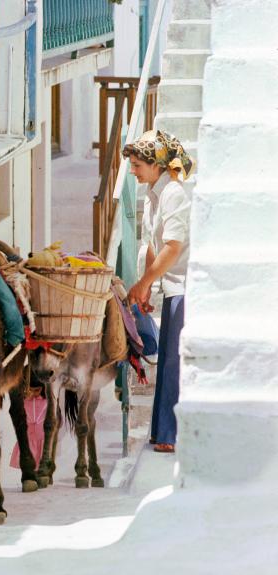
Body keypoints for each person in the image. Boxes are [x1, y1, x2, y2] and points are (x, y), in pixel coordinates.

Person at [122, 130, 194, 454]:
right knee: (166, 359)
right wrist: (147, 286)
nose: (134, 171)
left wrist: (142, 283)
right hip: (169, 287)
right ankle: (163, 432)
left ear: (155, 164)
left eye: (137, 165)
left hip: (184, 287)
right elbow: (152, 246)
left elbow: (173, 248)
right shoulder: (154, 195)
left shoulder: (173, 194)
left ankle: (171, 434)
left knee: (173, 363)